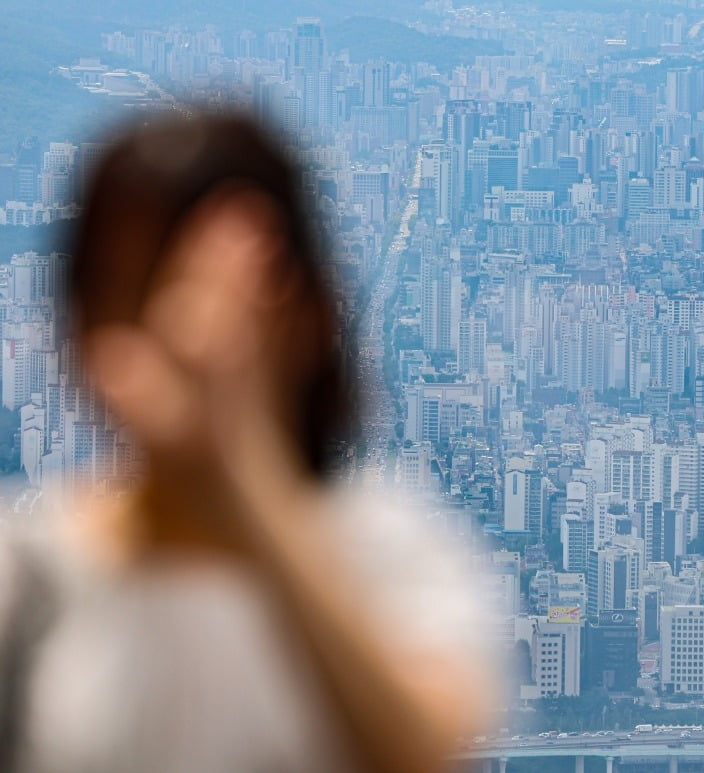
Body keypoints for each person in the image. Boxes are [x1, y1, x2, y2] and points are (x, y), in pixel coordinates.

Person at [0, 113, 494, 771]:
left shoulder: (385, 551)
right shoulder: (34, 570)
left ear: (306, 315)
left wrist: (237, 465)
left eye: (206, 303)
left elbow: (420, 749)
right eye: (121, 295)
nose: (176, 340)